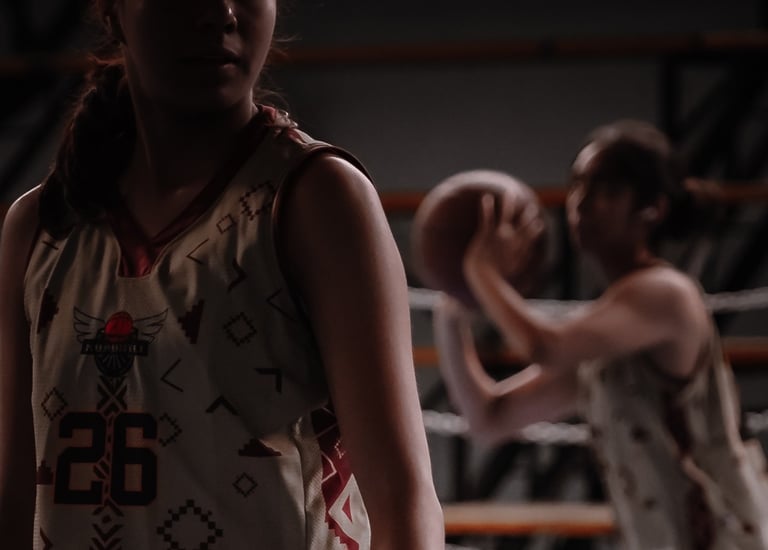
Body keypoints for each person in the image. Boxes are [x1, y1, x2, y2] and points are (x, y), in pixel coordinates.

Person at [0, 1, 444, 548]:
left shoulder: (315, 199)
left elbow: (406, 505)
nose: (222, 12)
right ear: (114, 12)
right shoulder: (40, 228)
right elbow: (14, 503)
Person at [433, 120, 768, 549]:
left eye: (606, 189)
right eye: (578, 184)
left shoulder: (666, 295)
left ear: (652, 209)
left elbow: (544, 347)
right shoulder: (605, 341)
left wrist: (480, 270)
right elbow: (489, 419)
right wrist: (452, 313)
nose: (582, 202)